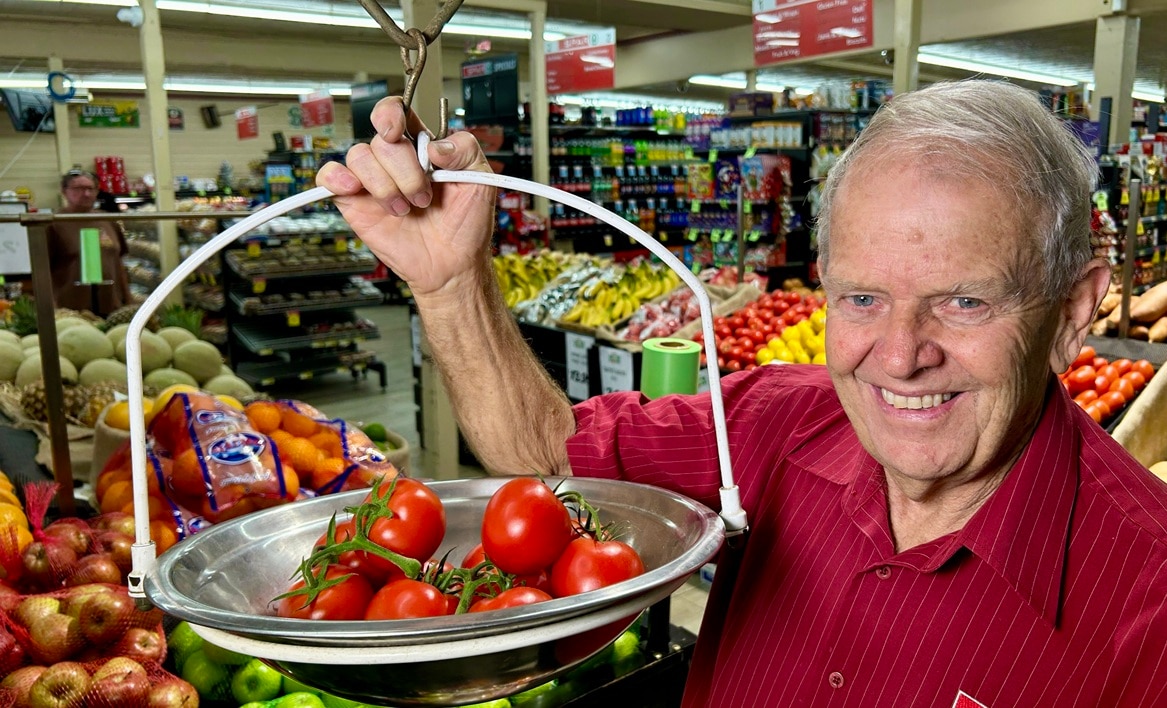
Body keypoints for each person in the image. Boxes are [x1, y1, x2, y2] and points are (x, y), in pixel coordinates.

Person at [318, 81, 1167, 707]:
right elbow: (541, 452)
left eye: (964, 301)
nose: (900, 358)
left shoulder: (1145, 604)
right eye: (862, 298)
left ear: (1070, 314)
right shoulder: (772, 422)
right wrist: (451, 285)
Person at [47, 169, 132, 316]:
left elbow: (118, 263)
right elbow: (43, 269)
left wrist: (128, 299)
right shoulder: (54, 224)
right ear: (64, 191)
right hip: (71, 310)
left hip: (111, 306)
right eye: (78, 189)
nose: (86, 194)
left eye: (90, 189)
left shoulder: (108, 221)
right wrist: (50, 306)